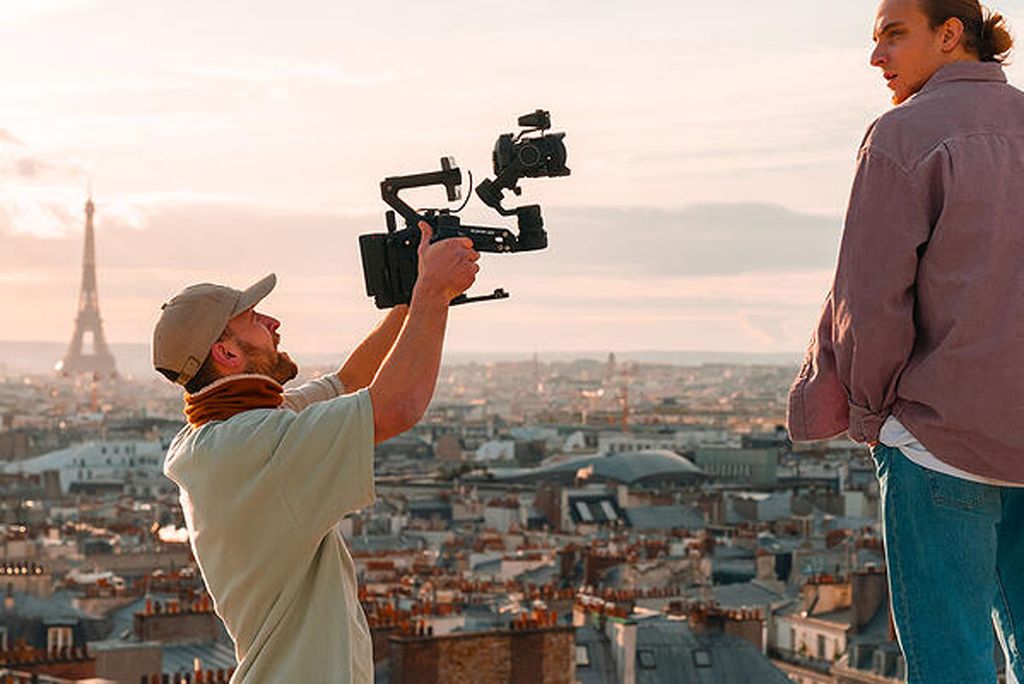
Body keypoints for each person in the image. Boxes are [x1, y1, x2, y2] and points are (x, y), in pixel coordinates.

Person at [787, 1, 1023, 681]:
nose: (876, 56)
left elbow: (869, 301)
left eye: (894, 35)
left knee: (953, 661)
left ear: (951, 35)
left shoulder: (902, 134)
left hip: (937, 440)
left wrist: (870, 416)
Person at [152, 222, 479, 682]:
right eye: (254, 319)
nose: (273, 323)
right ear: (226, 353)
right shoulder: (254, 445)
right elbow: (396, 407)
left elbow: (351, 382)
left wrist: (410, 299)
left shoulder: (220, 433)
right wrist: (433, 293)